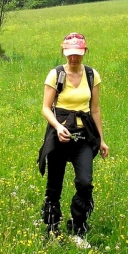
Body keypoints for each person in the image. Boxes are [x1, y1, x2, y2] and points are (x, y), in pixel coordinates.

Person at [37, 32, 109, 240]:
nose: (74, 58)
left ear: (85, 52)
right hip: (59, 132)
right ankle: (52, 229)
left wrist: (101, 140)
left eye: (78, 53)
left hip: (84, 134)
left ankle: (78, 228)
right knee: (54, 184)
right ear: (63, 52)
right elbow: (45, 108)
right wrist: (58, 127)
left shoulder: (91, 75)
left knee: (85, 182)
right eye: (70, 54)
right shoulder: (55, 74)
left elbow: (95, 109)